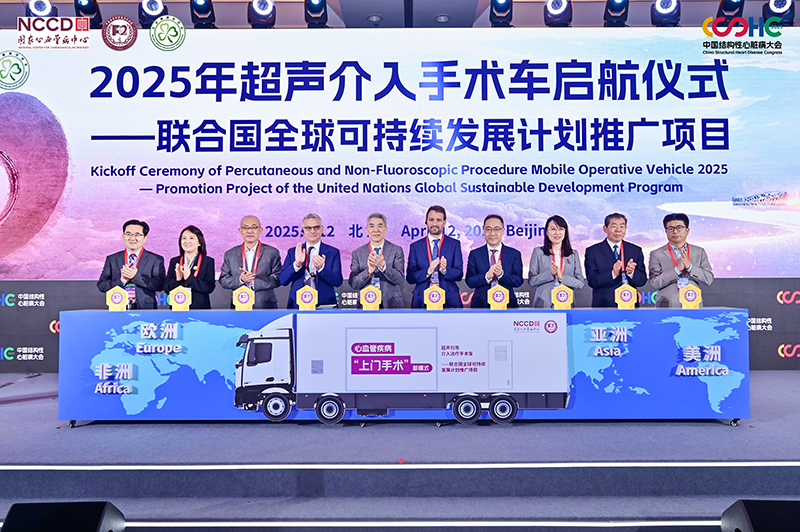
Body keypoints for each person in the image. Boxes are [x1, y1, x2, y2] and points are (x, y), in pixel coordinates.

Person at [648, 213, 714, 307]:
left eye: (679, 227)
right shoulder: (656, 254)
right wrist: (676, 270)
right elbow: (655, 283)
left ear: (687, 230)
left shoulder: (699, 252)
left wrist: (690, 267)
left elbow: (708, 279)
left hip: (693, 304)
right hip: (666, 305)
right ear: (666, 231)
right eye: (671, 228)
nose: (675, 231)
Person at [97, 219, 165, 310]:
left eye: (137, 234)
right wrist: (122, 280)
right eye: (128, 234)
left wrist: (136, 276)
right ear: (123, 236)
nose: (132, 238)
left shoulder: (155, 259)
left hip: (146, 309)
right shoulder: (112, 259)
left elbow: (160, 285)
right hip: (118, 308)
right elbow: (102, 285)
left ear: (145, 238)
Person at [280, 213, 343, 309]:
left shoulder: (333, 252)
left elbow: (338, 281)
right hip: (298, 305)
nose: (312, 231)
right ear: (303, 231)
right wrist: (296, 265)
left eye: (316, 227)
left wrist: (322, 268)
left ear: (322, 229)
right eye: (308, 228)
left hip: (325, 305)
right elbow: (283, 280)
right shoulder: (293, 252)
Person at [584, 213, 647, 308]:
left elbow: (642, 281)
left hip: (630, 306)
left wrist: (631, 273)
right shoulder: (593, 251)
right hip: (604, 306)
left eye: (622, 226)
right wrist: (613, 273)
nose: (618, 230)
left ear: (626, 228)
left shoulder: (635, 250)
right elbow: (592, 281)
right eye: (614, 226)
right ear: (605, 229)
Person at [219, 215, 282, 309]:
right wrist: (241, 279)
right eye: (245, 228)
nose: (249, 231)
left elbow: (277, 278)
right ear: (240, 231)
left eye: (254, 227)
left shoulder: (272, 252)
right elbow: (223, 279)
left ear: (260, 230)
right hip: (239, 305)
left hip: (265, 306)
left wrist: (254, 282)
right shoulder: (230, 254)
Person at [406, 205, 464, 308]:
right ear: (426, 221)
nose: (434, 224)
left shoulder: (454, 244)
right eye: (431, 219)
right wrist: (428, 271)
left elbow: (459, 274)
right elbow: (410, 277)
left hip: (449, 299)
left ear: (444, 223)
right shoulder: (415, 246)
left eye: (438, 220)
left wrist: (445, 270)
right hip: (421, 299)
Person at [348, 213, 406, 308]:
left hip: (391, 304)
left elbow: (399, 279)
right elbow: (354, 283)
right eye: (372, 226)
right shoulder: (358, 253)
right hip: (366, 303)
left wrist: (384, 267)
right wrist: (368, 271)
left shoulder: (396, 250)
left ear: (386, 229)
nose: (376, 230)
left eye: (380, 226)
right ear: (367, 230)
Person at [465, 214, 524, 308]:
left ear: (503, 231)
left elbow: (518, 281)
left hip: (508, 305)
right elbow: (470, 281)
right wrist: (486, 276)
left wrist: (501, 275)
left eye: (497, 229)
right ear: (483, 230)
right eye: (488, 229)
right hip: (481, 306)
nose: (492, 233)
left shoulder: (514, 254)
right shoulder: (475, 254)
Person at [528, 215, 585, 308]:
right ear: (547, 232)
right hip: (544, 304)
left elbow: (580, 283)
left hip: (567, 303)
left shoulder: (573, 254)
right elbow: (532, 281)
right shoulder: (538, 252)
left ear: (565, 232)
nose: (557, 233)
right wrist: (550, 273)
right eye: (553, 229)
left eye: (561, 229)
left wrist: (562, 277)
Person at [163, 225, 216, 309]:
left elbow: (209, 288)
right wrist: (177, 279)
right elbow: (166, 289)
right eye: (184, 238)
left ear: (199, 242)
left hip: (199, 309)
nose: (187, 241)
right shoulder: (175, 261)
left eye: (191, 238)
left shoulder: (208, 261)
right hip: (177, 308)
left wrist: (189, 278)